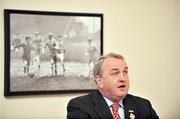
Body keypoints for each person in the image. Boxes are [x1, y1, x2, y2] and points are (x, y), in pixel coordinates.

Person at [67, 53, 159, 119]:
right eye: (115, 73)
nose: (123, 78)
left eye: (125, 72)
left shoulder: (143, 106)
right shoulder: (80, 107)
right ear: (100, 81)